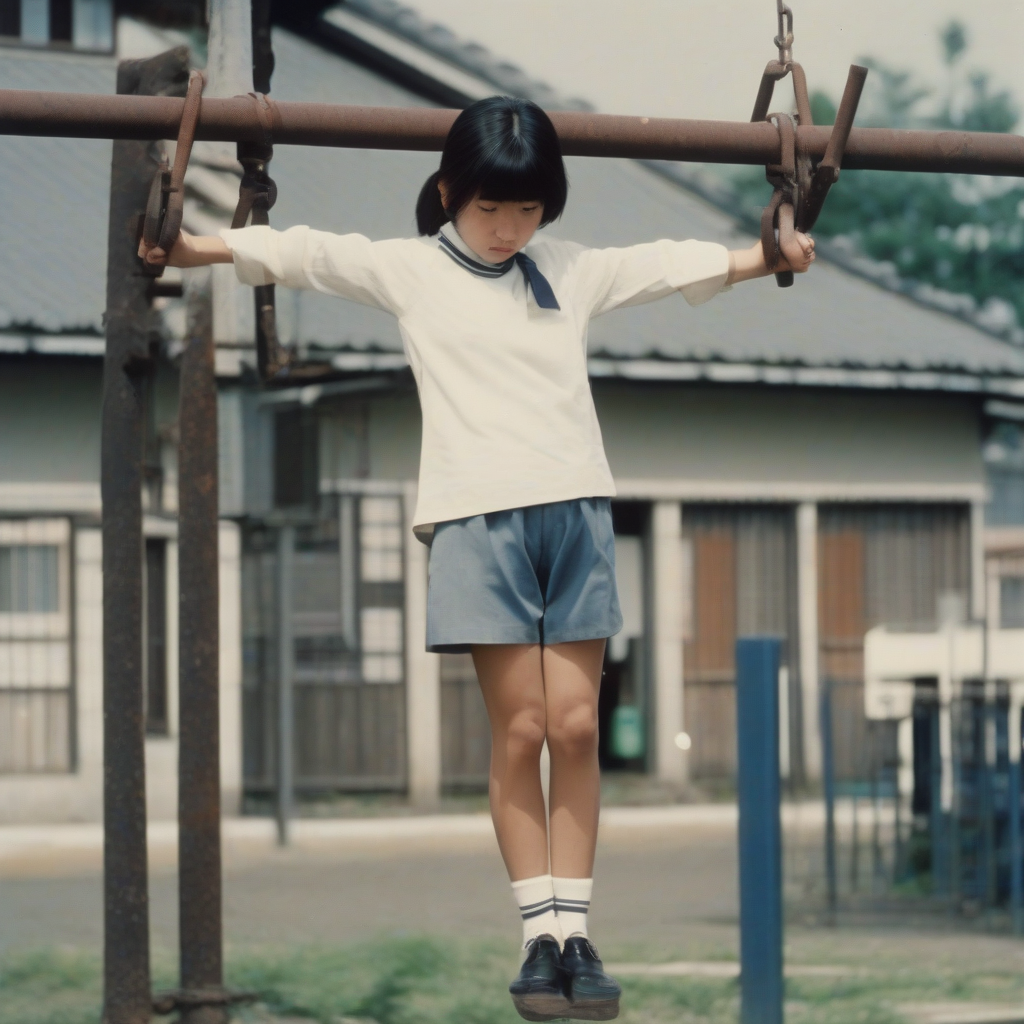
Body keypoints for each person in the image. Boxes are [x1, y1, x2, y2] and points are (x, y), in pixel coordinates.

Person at [141, 94, 814, 1022]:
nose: (508, 229)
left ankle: (577, 931)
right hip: (477, 520)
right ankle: (538, 936)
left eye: (528, 210)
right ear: (450, 189)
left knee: (577, 726)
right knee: (526, 728)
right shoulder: (414, 271)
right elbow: (305, 253)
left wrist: (763, 253)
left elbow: (662, 267)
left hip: (573, 512)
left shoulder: (567, 271)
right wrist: (195, 249)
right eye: (492, 208)